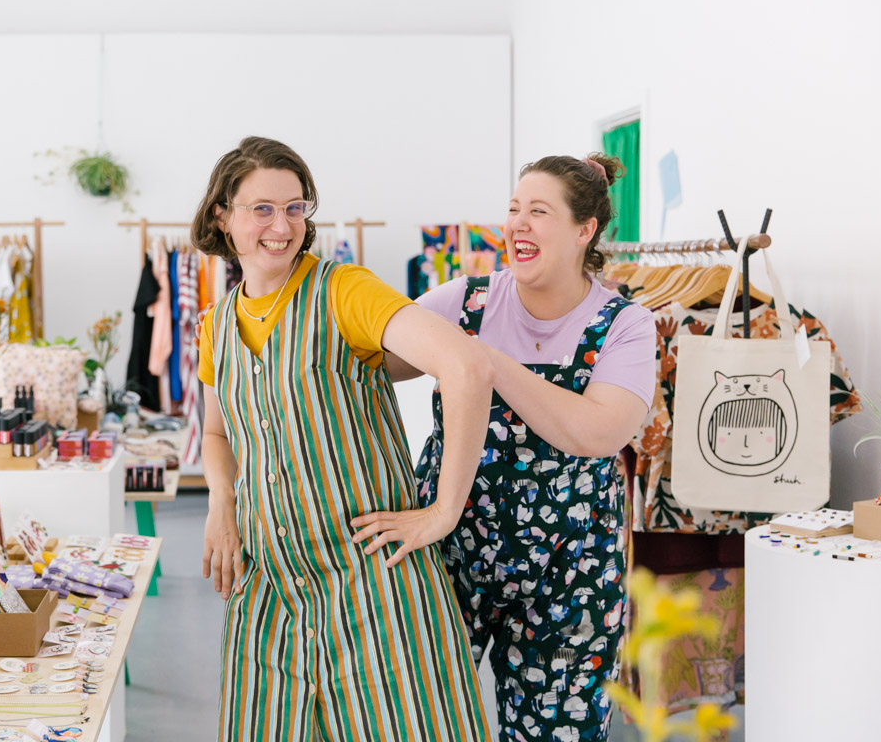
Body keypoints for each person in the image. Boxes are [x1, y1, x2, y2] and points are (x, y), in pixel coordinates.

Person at [193, 136, 495, 741]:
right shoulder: (217, 324)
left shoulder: (344, 291)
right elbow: (218, 429)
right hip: (269, 590)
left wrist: (442, 513)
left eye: (295, 208)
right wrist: (221, 503)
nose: (282, 226)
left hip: (375, 587)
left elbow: (468, 367)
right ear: (223, 216)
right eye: (262, 209)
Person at [363, 153, 655, 741]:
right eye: (514, 209)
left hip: (570, 573)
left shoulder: (626, 324)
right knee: (416, 721)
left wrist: (482, 361)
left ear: (584, 230)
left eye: (539, 211)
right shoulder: (463, 302)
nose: (517, 224)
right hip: (448, 553)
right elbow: (371, 361)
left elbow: (597, 431)